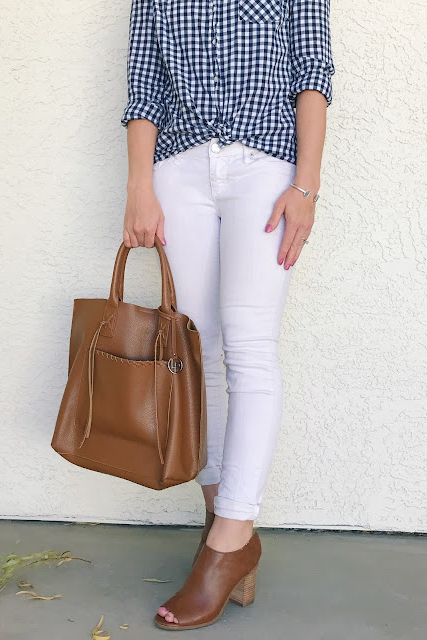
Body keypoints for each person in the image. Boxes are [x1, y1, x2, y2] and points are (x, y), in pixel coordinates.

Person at [121, 0, 335, 630]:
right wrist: (139, 186)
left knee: (249, 349)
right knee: (195, 351)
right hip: (179, 169)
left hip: (264, 168)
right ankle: (226, 524)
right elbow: (144, 83)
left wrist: (306, 187)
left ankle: (226, 545)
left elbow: (313, 75)